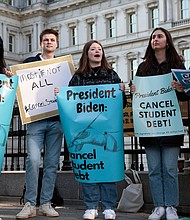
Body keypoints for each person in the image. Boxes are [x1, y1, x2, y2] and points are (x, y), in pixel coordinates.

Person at [55, 40, 126, 220]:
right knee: (89, 166)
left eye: (100, 49)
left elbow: (121, 104)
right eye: (93, 49)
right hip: (84, 131)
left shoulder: (112, 75)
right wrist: (60, 94)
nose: (97, 51)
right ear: (87, 54)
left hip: (106, 131)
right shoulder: (78, 78)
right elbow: (69, 104)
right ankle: (91, 206)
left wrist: (121, 92)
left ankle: (109, 206)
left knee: (108, 165)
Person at [130, 27, 187, 220]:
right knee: (154, 169)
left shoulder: (177, 65)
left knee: (170, 169)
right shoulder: (143, 67)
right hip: (150, 127)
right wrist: (133, 89)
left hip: (170, 125)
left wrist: (181, 88)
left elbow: (185, 95)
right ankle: (158, 206)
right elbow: (139, 95)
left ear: (167, 41)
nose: (155, 39)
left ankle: (171, 206)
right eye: (153, 37)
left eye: (159, 36)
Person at [16, 29, 63, 219]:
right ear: (40, 43)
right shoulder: (29, 63)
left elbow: (70, 89)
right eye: (46, 40)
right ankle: (30, 203)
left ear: (56, 44)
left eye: (52, 40)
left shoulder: (62, 66)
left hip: (56, 121)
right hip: (35, 120)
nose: (49, 42)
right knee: (33, 161)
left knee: (52, 163)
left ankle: (46, 203)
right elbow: (17, 80)